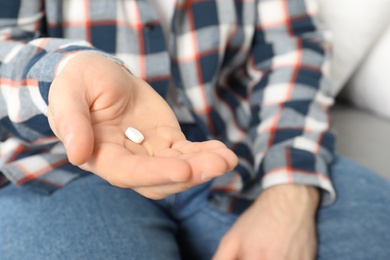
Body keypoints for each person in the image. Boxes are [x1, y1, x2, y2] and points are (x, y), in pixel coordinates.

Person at [0, 0, 389, 259]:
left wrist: (290, 191)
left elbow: (291, 48)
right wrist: (61, 74)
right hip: (53, 164)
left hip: (233, 145)